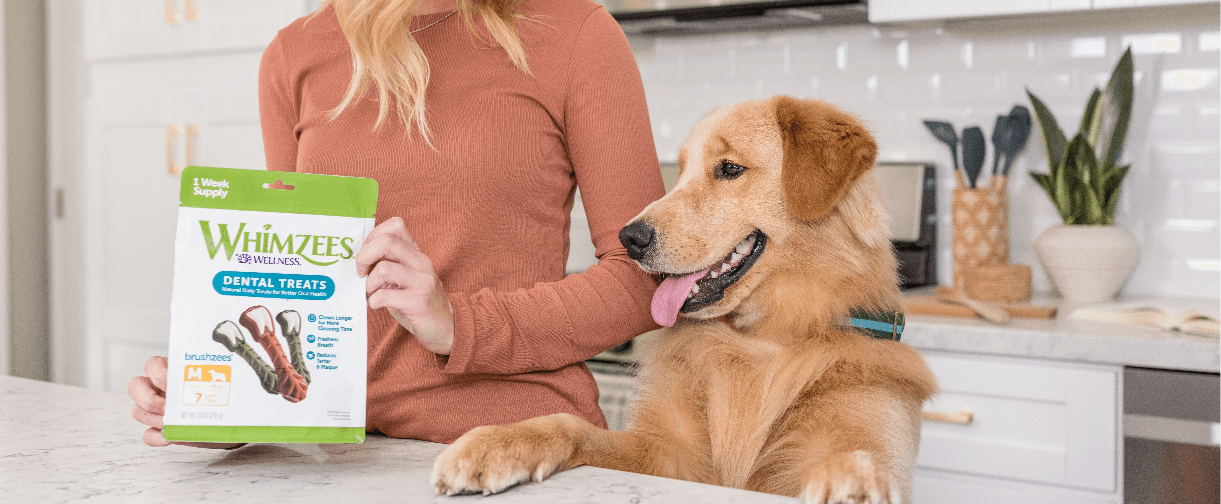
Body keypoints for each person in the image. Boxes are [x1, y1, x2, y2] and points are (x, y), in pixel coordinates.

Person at [128, 0, 663, 448]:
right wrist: (233, 409)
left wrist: (461, 325)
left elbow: (645, 279)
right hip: (342, 463)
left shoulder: (573, 33)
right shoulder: (295, 53)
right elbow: (303, 289)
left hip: (513, 446)